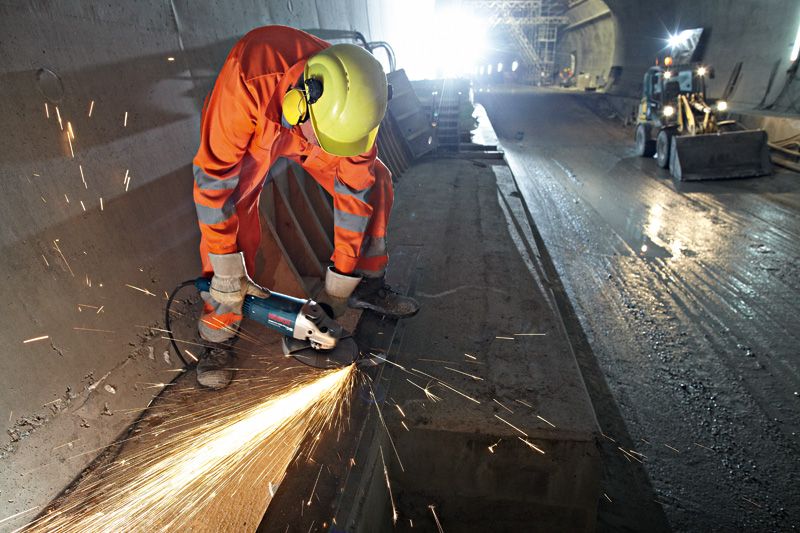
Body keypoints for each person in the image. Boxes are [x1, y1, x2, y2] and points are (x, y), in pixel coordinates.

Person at [191, 26, 419, 389]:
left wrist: (340, 284)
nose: (343, 152)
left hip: (311, 126)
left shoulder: (356, 110)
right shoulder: (248, 79)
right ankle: (218, 334)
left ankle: (366, 286)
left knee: (376, 182)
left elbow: (354, 192)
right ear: (302, 101)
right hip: (261, 120)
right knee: (234, 209)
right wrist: (225, 266)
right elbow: (213, 179)